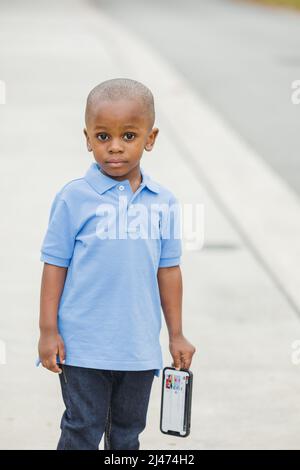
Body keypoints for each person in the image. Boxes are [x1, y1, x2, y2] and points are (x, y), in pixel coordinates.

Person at [37, 78, 196, 450]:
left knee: (126, 436)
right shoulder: (73, 198)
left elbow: (168, 270)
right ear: (87, 138)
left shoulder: (163, 202)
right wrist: (48, 330)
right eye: (103, 136)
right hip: (80, 347)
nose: (115, 148)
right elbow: (54, 266)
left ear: (150, 138)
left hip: (139, 350)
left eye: (128, 135)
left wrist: (176, 334)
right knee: (82, 429)